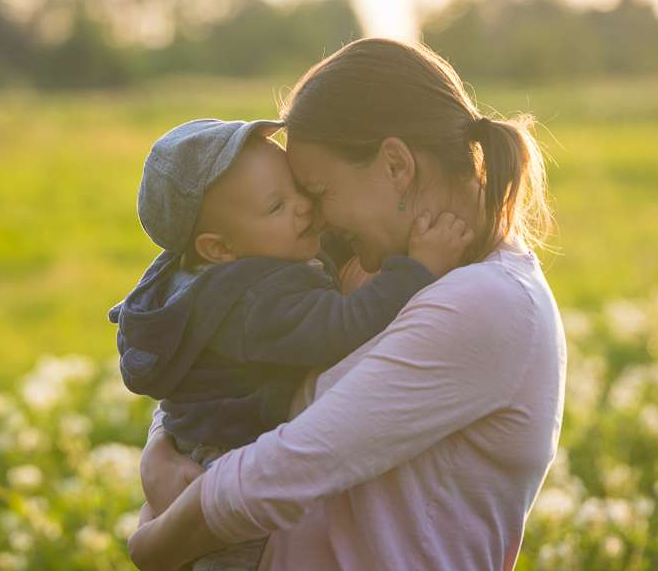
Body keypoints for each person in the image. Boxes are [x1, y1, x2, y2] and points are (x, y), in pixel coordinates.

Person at [128, 37, 567, 570]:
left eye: (319, 191)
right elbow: (222, 354)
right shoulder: (376, 266)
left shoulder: (487, 304)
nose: (315, 217)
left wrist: (150, 544)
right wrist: (161, 445)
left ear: (396, 166)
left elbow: (290, 466)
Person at [110, 117, 472, 570]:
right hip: (223, 468)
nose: (305, 208)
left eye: (299, 188)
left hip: (204, 455)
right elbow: (343, 324)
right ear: (219, 249)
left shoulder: (214, 273)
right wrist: (418, 269)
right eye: (276, 206)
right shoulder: (255, 302)